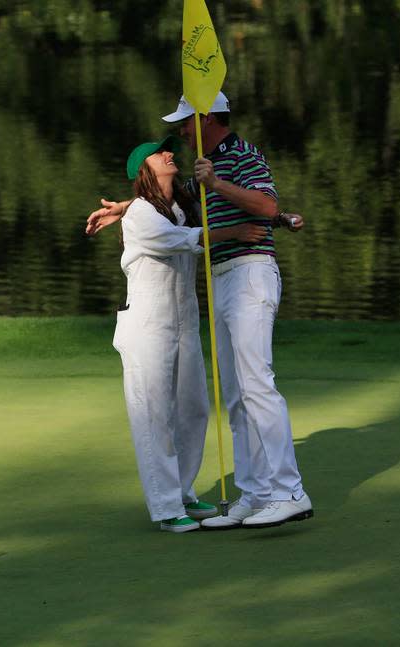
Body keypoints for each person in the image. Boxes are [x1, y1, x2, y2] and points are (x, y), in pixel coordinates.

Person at [88, 92, 312, 530]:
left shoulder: (240, 155)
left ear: (206, 117)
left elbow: (261, 205)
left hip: (249, 273)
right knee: (234, 393)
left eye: (186, 124)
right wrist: (123, 207)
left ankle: (289, 491)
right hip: (214, 284)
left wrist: (262, 208)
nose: (182, 135)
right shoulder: (193, 182)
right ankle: (255, 493)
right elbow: (166, 207)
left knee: (254, 384)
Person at [114, 135, 270, 533]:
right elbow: (176, 241)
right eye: (159, 153)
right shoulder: (141, 216)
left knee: (194, 407)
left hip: (184, 321)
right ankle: (166, 508)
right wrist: (232, 234)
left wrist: (282, 219)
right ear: (144, 170)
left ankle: (182, 490)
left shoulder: (180, 209)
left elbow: (191, 222)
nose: (170, 153)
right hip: (147, 324)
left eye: (168, 149)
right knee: (155, 415)